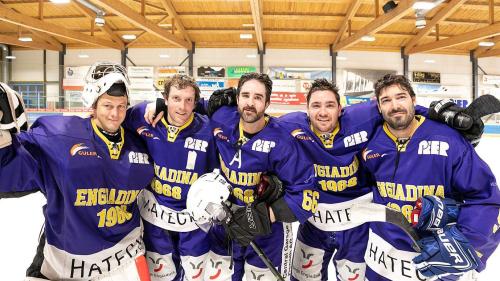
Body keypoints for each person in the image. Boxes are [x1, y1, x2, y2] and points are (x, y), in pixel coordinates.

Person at [147, 72, 315, 280]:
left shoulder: (282, 141)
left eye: (258, 97)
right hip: (224, 225)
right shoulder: (223, 118)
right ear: (237, 99)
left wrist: (264, 216)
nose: (250, 103)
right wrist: (159, 105)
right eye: (245, 95)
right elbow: (188, 106)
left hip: (267, 233)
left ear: (268, 103)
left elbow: (307, 196)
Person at [0, 62, 154, 281]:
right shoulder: (58, 137)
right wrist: (3, 140)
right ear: (93, 105)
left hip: (126, 260)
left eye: (122, 106)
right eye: (108, 105)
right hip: (64, 263)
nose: (115, 113)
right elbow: (11, 172)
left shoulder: (139, 143)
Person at [361, 74, 500, 281]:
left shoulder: (448, 139)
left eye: (401, 97)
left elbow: (485, 197)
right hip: (381, 262)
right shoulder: (370, 141)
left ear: (413, 100)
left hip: (439, 263)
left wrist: (467, 243)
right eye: (386, 100)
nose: (395, 105)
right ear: (379, 108)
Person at [277, 79, 378, 281]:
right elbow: (252, 118)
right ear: (306, 109)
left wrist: (442, 113)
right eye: (316, 105)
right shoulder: (291, 125)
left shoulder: (361, 117)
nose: (323, 112)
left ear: (340, 109)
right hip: (314, 224)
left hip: (356, 226)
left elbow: (398, 105)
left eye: (329, 105)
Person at [123, 75, 218, 281]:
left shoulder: (208, 129)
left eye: (188, 100)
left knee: (195, 275)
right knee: (161, 276)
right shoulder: (145, 118)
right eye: (176, 98)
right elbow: (119, 120)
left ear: (196, 103)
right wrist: (149, 105)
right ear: (164, 99)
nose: (182, 107)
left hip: (195, 222)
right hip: (156, 218)